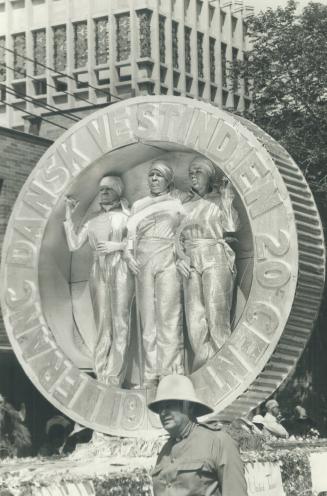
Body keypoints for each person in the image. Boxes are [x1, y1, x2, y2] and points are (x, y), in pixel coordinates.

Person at [64, 176, 134, 386]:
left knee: (120, 322)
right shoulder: (92, 219)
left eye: (108, 189)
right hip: (98, 269)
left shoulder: (127, 216)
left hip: (121, 266)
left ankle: (115, 375)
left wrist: (119, 246)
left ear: (118, 192)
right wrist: (69, 214)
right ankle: (102, 373)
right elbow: (73, 244)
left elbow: (138, 239)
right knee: (102, 322)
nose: (103, 192)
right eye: (101, 188)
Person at [176, 156, 239, 370]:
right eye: (190, 172)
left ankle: (224, 371)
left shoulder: (219, 200)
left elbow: (231, 227)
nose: (193, 175)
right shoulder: (184, 205)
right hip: (190, 258)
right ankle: (204, 369)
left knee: (217, 316)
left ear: (208, 175)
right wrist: (179, 258)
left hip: (215, 254)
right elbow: (177, 238)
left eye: (198, 171)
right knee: (195, 320)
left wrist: (228, 200)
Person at [125, 161, 185, 387]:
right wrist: (128, 254)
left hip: (168, 257)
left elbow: (184, 231)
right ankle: (150, 375)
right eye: (151, 175)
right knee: (147, 319)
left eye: (159, 175)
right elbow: (130, 233)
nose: (154, 179)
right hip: (142, 258)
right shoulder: (139, 204)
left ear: (168, 179)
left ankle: (170, 374)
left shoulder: (177, 203)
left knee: (169, 316)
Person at [148, 374, 248, 496]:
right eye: (160, 408)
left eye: (169, 405)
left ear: (188, 406)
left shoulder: (218, 442)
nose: (163, 412)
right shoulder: (165, 452)